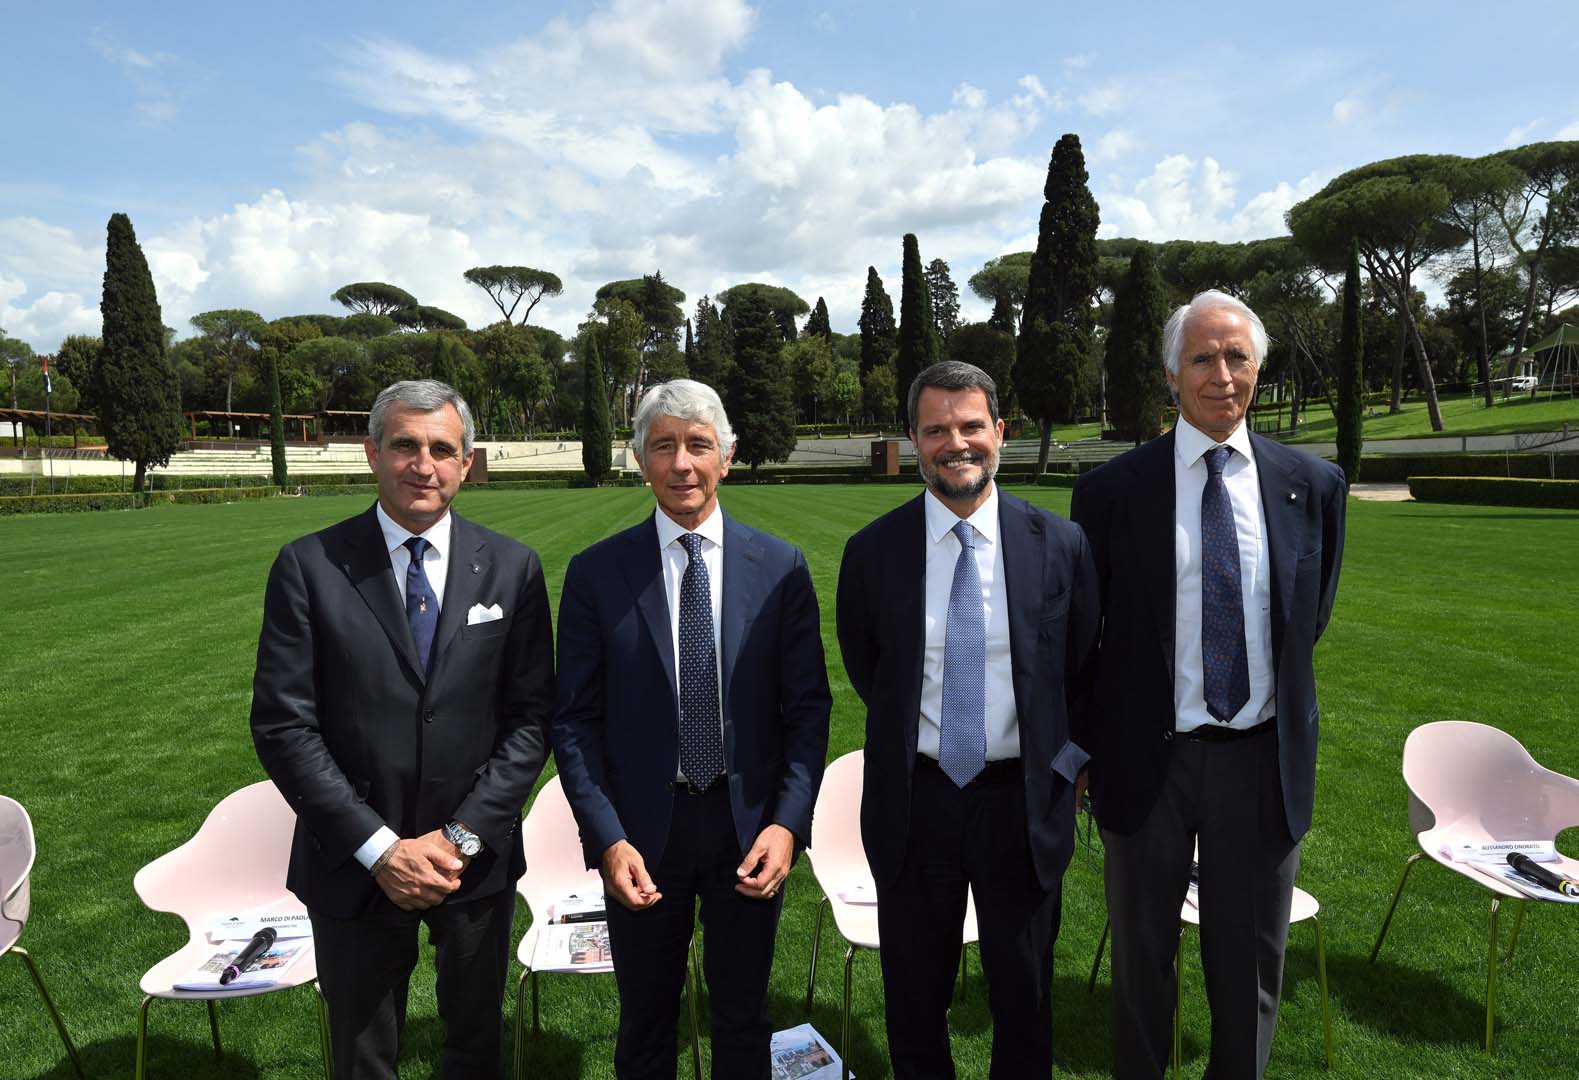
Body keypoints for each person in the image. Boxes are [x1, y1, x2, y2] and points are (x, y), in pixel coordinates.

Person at [1070, 291, 1347, 1079]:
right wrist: (1087, 749)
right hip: (1143, 764)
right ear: (1170, 375)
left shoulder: (1313, 486)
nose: (1221, 375)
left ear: (1258, 367)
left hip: (1259, 763)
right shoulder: (1112, 493)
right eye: (1202, 358)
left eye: (1237, 357)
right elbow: (1084, 640)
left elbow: (1306, 620)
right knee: (1140, 968)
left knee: (1249, 969)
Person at [250, 379, 554, 1080]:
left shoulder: (512, 567)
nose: (424, 465)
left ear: (466, 462)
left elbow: (531, 719)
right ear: (371, 454)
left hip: (472, 862)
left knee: (476, 1047)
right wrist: (380, 849)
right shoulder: (309, 566)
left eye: (442, 449)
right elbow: (283, 724)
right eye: (405, 446)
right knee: (361, 1056)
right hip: (353, 862)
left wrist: (461, 837)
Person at [552, 378, 831, 1079]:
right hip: (644, 834)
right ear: (640, 460)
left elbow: (806, 710)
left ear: (726, 457)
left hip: (749, 830)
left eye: (698, 446)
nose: (682, 464)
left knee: (743, 1019)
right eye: (664, 447)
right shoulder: (596, 573)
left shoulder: (780, 567)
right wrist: (607, 838)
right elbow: (575, 720)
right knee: (645, 1022)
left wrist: (786, 825)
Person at [836, 361, 1099, 1079]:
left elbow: (1078, 670)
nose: (955, 443)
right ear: (914, 441)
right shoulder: (871, 554)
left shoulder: (1059, 546)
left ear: (998, 433)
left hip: (1020, 804)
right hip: (914, 803)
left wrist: (1067, 770)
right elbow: (869, 668)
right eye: (935, 430)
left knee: (1024, 999)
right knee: (914, 1004)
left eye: (970, 426)